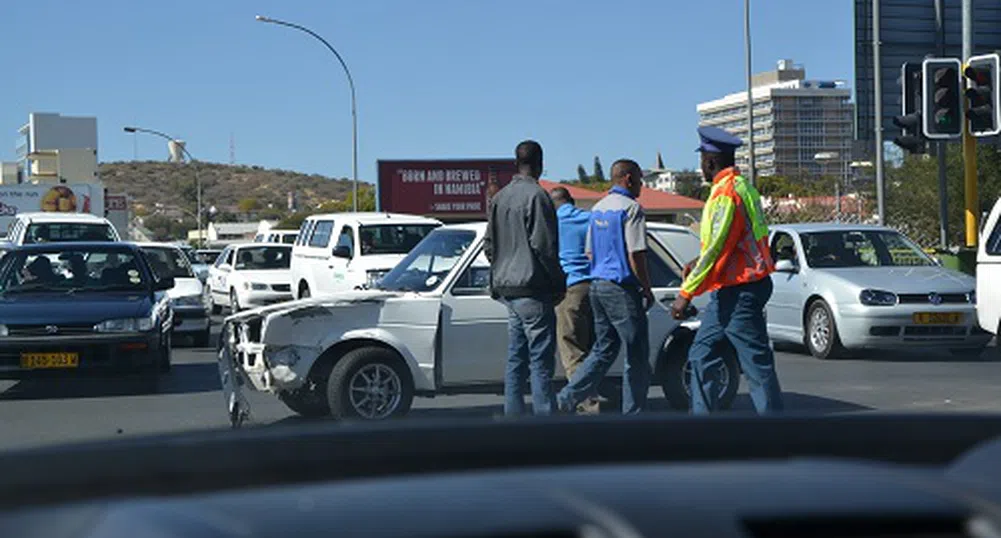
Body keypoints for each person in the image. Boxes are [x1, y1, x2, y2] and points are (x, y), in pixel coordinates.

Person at [670, 126, 784, 414]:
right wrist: (698, 262)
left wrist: (686, 294)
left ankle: (777, 429)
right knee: (701, 354)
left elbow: (718, 248)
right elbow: (731, 242)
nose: (701, 167)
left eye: (702, 161)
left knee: (754, 362)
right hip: (739, 287)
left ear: (710, 161)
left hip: (740, 289)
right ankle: (705, 424)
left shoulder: (725, 194)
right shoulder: (744, 188)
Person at [556, 159, 655, 415]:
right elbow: (636, 254)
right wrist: (646, 287)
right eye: (640, 180)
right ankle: (634, 414)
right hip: (621, 288)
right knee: (636, 355)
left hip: (597, 286)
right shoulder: (631, 208)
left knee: (604, 349)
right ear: (628, 179)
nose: (641, 185)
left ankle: (566, 398)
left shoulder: (598, 209)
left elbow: (589, 253)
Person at [483, 140, 565, 416]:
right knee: (541, 363)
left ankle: (513, 421)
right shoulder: (538, 197)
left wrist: (502, 269)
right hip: (533, 290)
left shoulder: (500, 198)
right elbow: (545, 247)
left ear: (516, 164)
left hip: (508, 290)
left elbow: (489, 246)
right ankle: (544, 425)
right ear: (540, 164)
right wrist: (558, 283)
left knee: (516, 360)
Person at [550, 187, 599, 414]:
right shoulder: (590, 218)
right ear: (572, 201)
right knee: (592, 349)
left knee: (572, 350)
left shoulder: (551, 223)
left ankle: (587, 406)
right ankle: (593, 393)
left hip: (569, 288)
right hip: (595, 287)